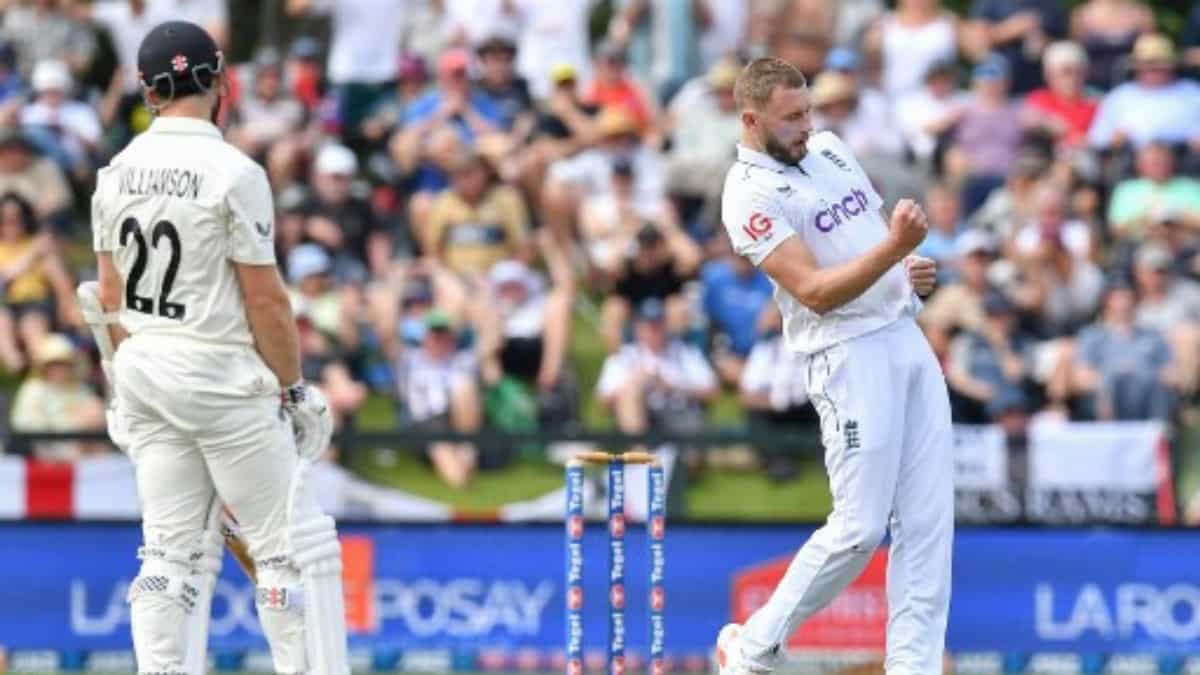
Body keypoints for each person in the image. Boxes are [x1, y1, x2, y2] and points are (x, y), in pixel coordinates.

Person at [89, 21, 346, 672]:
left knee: (168, 553)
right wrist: (292, 388)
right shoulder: (235, 171)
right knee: (290, 548)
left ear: (148, 91)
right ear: (221, 80)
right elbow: (266, 301)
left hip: (145, 369)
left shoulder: (115, 172)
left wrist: (124, 381)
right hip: (219, 374)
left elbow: (109, 295)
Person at [715, 57, 948, 675]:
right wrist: (897, 249)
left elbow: (865, 248)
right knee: (859, 526)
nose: (804, 126)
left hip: (904, 336)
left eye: (808, 111)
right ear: (750, 118)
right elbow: (815, 289)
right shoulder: (748, 195)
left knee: (928, 524)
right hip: (845, 355)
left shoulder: (831, 148)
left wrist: (904, 270)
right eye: (790, 118)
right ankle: (754, 645)